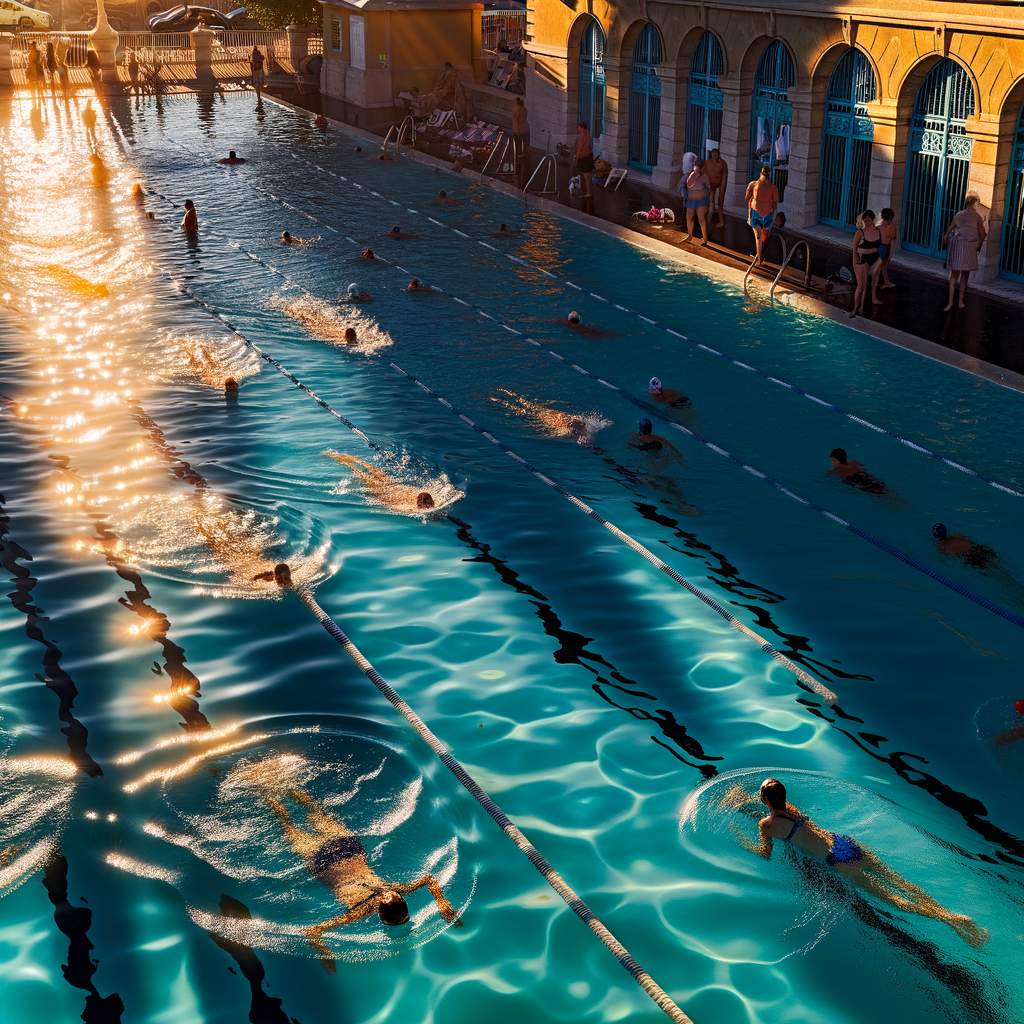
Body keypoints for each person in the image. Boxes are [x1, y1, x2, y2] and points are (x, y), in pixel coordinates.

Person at [728, 778, 985, 946]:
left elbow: (765, 853)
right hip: (846, 844)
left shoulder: (767, 824)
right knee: (902, 883)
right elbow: (774, 805)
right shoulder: (791, 808)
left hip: (837, 860)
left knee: (895, 899)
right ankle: (945, 912)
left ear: (764, 800)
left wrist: (742, 840)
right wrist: (746, 798)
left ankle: (952, 919)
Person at [255, 784, 460, 958]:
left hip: (347, 849)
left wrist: (441, 902)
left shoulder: (395, 890)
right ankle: (266, 791)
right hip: (324, 861)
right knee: (289, 823)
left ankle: (284, 784)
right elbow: (313, 931)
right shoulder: (362, 911)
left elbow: (428, 880)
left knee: (312, 811)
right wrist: (325, 952)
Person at [327, 453, 443, 515]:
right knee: (363, 475)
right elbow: (391, 506)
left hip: (393, 487)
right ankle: (346, 461)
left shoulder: (417, 502)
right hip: (385, 491)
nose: (428, 506)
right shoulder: (410, 509)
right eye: (428, 504)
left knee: (372, 471)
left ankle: (350, 459)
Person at [492, 388, 602, 443]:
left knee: (524, 404)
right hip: (543, 415)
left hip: (547, 413)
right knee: (520, 408)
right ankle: (501, 398)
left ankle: (505, 393)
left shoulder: (578, 422)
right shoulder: (566, 429)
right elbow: (549, 434)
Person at [942, 193, 987, 312]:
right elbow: (983, 233)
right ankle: (960, 301)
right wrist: (979, 244)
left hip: (957, 247)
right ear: (975, 203)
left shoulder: (958, 215)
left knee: (953, 276)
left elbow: (949, 230)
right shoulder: (977, 217)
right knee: (964, 276)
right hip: (969, 248)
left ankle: (950, 303)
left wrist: (946, 239)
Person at [850, 209, 883, 317]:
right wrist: (855, 262)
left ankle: (861, 308)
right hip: (862, 261)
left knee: (868, 285)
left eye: (869, 220)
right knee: (861, 285)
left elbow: (880, 246)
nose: (867, 222)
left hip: (875, 260)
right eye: (865, 220)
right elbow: (855, 249)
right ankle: (855, 308)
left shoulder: (878, 231)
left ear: (873, 220)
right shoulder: (860, 232)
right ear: (863, 220)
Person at [745, 165, 779, 266]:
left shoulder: (753, 184)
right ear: (770, 175)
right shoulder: (773, 188)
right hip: (766, 214)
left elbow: (747, 198)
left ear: (760, 173)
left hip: (758, 213)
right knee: (762, 236)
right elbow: (775, 204)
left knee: (759, 237)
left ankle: (759, 258)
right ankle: (759, 257)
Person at [931, 523, 998, 569]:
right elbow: (971, 541)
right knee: (999, 566)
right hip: (979, 548)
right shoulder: (957, 535)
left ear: (935, 535)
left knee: (993, 572)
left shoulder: (941, 547)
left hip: (970, 556)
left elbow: (946, 561)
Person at [683, 159, 711, 245]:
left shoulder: (705, 177)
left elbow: (709, 188)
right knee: (689, 217)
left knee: (701, 219)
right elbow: (688, 184)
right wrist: (695, 175)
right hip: (691, 200)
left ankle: (705, 240)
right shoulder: (691, 175)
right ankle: (690, 235)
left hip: (701, 200)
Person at [705, 149, 728, 228]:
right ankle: (706, 223)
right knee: (711, 205)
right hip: (710, 185)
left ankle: (721, 222)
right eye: (713, 155)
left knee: (720, 202)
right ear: (711, 155)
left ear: (719, 155)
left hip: (720, 184)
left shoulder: (723, 163)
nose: (714, 156)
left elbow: (724, 178)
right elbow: (704, 174)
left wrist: (721, 191)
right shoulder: (707, 162)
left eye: (716, 155)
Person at [575, 120, 594, 215]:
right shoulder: (589, 135)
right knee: (588, 176)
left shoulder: (582, 136)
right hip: (589, 157)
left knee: (585, 176)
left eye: (578, 127)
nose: (577, 129)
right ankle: (588, 192)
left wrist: (577, 157)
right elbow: (591, 146)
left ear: (582, 128)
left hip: (583, 158)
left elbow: (579, 148)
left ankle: (587, 193)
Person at [512, 96, 529, 188]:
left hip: (519, 131)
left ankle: (520, 155)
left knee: (518, 148)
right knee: (522, 145)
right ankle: (522, 154)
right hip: (524, 131)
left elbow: (517, 122)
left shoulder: (517, 110)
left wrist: (517, 131)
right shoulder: (524, 110)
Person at [878, 208, 897, 289]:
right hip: (885, 247)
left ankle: (885, 282)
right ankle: (884, 282)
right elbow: (893, 242)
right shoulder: (892, 227)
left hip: (880, 247)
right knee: (882, 266)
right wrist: (891, 254)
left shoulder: (879, 227)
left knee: (881, 266)